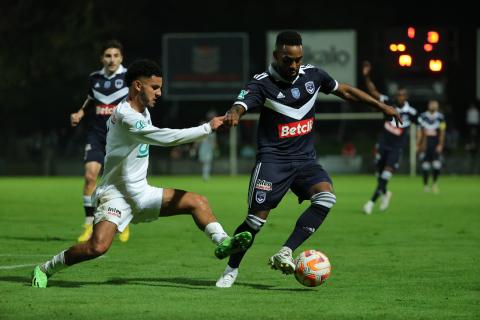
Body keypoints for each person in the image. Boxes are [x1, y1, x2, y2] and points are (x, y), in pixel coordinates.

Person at [31, 59, 252, 288]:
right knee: (97, 247)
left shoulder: (143, 110)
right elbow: (164, 138)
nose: (159, 93)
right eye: (154, 87)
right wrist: (207, 128)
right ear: (138, 86)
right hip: (116, 195)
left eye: (160, 88)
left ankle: (224, 242)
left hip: (142, 193)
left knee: (197, 202)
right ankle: (46, 268)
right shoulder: (126, 115)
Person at [215, 31, 401, 288]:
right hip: (273, 162)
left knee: (326, 197)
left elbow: (345, 91)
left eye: (298, 60)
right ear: (276, 56)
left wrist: (381, 106)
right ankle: (231, 270)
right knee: (255, 222)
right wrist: (234, 114)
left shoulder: (313, 76)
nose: (293, 65)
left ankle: (286, 251)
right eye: (288, 60)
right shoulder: (261, 83)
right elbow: (240, 104)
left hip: (304, 160)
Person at [70, 40, 131, 242]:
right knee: (90, 177)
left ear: (121, 57)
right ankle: (89, 224)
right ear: (101, 58)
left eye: (115, 55)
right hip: (97, 135)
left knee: (120, 181)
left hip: (120, 137)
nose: (111, 59)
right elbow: (90, 98)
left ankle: (124, 221)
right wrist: (80, 112)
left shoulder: (129, 77)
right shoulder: (94, 78)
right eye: (107, 55)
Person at [361, 60, 418, 215]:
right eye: (399, 94)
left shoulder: (411, 112)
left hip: (396, 148)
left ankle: (370, 203)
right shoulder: (389, 104)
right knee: (379, 175)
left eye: (403, 95)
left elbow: (420, 127)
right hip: (383, 144)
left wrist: (419, 143)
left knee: (385, 175)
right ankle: (386, 193)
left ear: (406, 97)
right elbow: (373, 93)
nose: (400, 97)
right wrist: (367, 77)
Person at [417, 100, 446, 193]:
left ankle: (434, 184)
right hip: (425, 144)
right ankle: (425, 186)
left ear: (437, 106)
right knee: (425, 166)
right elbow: (419, 132)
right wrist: (418, 144)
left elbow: (442, 132)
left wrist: (441, 145)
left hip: (435, 143)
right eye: (431, 104)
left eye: (435, 105)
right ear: (428, 106)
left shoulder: (441, 117)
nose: (433, 106)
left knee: (436, 165)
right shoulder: (422, 116)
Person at [197, 111, 218, 181]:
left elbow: (213, 139)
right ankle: (205, 175)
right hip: (204, 146)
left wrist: (214, 146)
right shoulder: (204, 125)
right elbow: (198, 137)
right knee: (204, 161)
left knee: (207, 162)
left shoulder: (214, 126)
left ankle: (205, 176)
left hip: (209, 147)